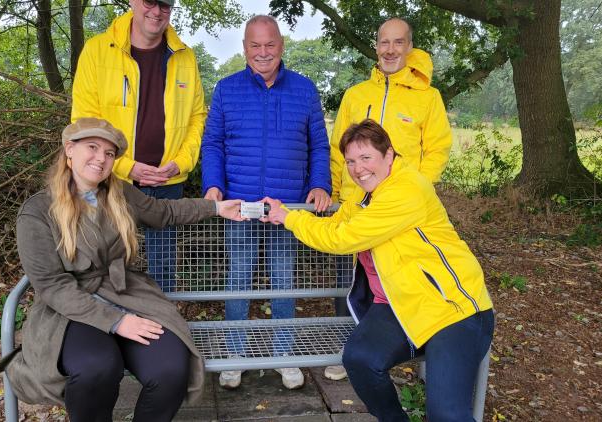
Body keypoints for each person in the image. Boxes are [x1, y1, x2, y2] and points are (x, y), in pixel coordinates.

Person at [1, 118, 242, 422]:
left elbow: (164, 212)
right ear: (69, 150)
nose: (101, 158)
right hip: (70, 310)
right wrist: (117, 322)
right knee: (97, 368)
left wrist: (217, 208)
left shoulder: (121, 194)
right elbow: (52, 286)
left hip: (126, 294)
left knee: (171, 371)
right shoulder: (37, 211)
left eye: (110, 153)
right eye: (92, 147)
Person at [263, 119, 494, 421]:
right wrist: (287, 215)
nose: (358, 169)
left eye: (366, 158)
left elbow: (342, 238)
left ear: (389, 155)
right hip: (399, 305)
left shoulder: (406, 189)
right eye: (350, 161)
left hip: (451, 309)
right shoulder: (363, 193)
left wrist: (289, 219)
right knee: (360, 359)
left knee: (447, 414)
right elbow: (335, 224)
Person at [200, 15, 332, 390]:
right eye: (255, 46)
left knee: (283, 282)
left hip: (286, 208)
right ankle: (235, 355)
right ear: (244, 48)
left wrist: (320, 183)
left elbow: (318, 145)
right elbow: (212, 144)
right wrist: (213, 185)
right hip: (239, 207)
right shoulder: (226, 90)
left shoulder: (305, 90)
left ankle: (285, 355)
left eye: (269, 44)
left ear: (281, 45)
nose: (263, 52)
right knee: (238, 281)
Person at [324, 17, 453, 381]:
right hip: (355, 206)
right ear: (376, 46)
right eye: (385, 42)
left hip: (402, 213)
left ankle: (405, 347)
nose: (391, 50)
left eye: (399, 42)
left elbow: (437, 150)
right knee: (349, 281)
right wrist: (335, 193)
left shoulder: (428, 97)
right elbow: (338, 151)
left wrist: (412, 195)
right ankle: (348, 351)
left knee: (401, 278)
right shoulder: (356, 95)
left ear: (409, 47)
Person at [71, 0, 206, 292]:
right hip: (110, 180)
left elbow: (197, 118)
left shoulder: (186, 56)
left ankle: (162, 324)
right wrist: (126, 166)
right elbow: (83, 124)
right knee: (106, 262)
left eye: (165, 5)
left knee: (164, 265)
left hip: (167, 181)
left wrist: (181, 162)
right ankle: (112, 326)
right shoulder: (97, 51)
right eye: (149, 2)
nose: (156, 11)